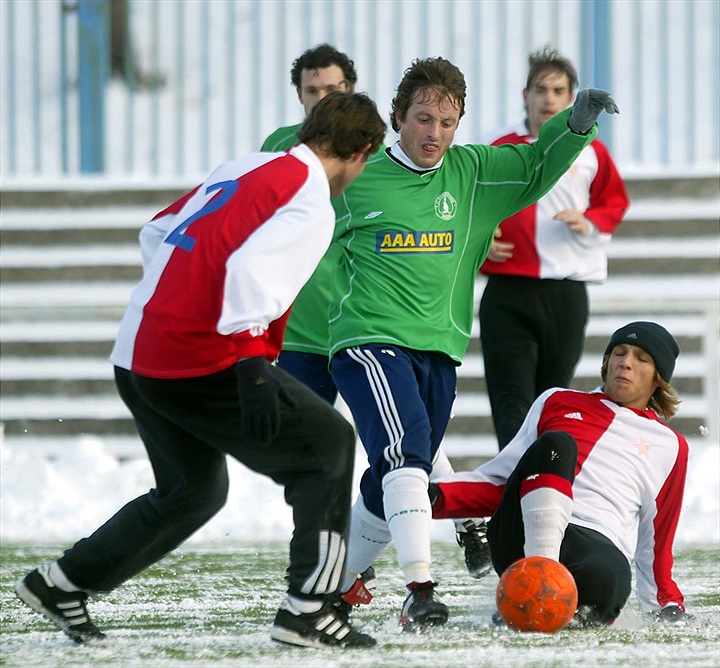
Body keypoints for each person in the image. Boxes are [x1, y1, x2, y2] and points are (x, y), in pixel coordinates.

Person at [14, 92, 386, 650]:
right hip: (198, 359)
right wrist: (253, 366)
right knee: (329, 444)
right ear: (361, 152)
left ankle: (61, 583)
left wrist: (175, 299)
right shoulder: (311, 203)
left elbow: (157, 229)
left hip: (139, 348)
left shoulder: (249, 165)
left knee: (193, 491)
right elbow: (246, 270)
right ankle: (308, 610)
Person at [326, 56, 619, 629]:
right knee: (407, 455)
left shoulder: (474, 174)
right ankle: (420, 588)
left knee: (387, 481)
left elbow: (537, 164)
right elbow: (301, 240)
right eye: (423, 118)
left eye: (447, 121)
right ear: (398, 118)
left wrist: (577, 126)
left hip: (439, 350)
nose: (434, 133)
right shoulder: (355, 178)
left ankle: (333, 589)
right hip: (368, 340)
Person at [430, 321, 689, 626]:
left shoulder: (670, 445)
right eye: (619, 353)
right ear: (607, 362)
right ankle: (538, 584)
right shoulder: (556, 400)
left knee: (612, 577)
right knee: (557, 444)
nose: (626, 363)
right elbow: (502, 479)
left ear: (658, 379)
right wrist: (434, 496)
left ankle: (565, 607)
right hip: (524, 530)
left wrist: (667, 603)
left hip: (597, 542)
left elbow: (657, 535)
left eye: (641, 359)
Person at [478, 46, 630, 450]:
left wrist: (589, 221)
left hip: (565, 293)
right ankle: (509, 497)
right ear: (524, 94)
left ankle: (538, 496)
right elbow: (469, 207)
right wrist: (482, 241)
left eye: (558, 91)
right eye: (540, 89)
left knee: (550, 403)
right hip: (508, 294)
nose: (548, 99)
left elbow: (614, 202)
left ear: (572, 98)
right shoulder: (498, 147)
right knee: (512, 405)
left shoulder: (592, 150)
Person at [260, 43, 358, 404]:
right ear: (299, 94)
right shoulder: (277, 146)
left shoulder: (377, 153)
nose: (322, 99)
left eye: (331, 90)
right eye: (312, 91)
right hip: (297, 330)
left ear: (349, 89)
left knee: (395, 445)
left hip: (361, 323)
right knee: (302, 447)